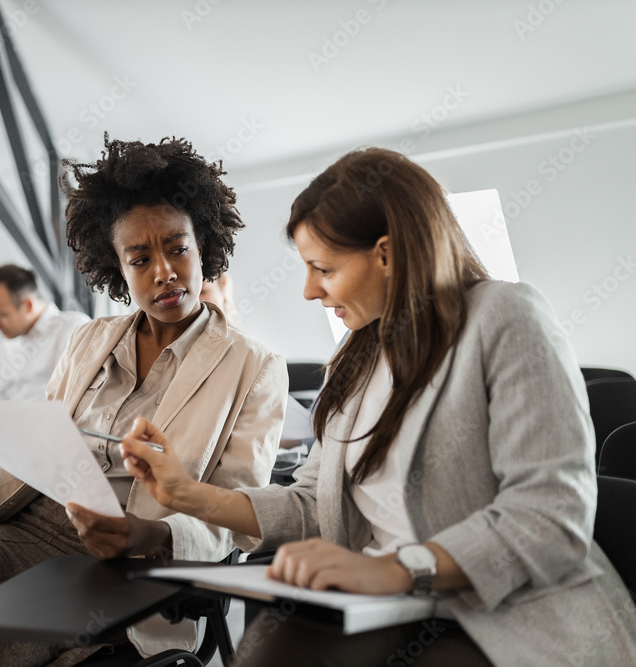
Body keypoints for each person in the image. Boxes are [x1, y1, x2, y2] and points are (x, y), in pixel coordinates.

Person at [114, 148, 636, 666]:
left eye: (323, 268)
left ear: (386, 254)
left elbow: (549, 515)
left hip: (503, 616)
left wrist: (394, 569)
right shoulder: (356, 361)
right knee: (271, 650)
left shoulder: (504, 317)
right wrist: (184, 493)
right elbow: (312, 506)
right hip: (388, 607)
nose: (308, 290)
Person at [0, 136, 288, 667]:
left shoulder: (253, 365)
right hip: (26, 528)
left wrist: (146, 533)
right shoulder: (89, 341)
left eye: (178, 247)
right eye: (140, 258)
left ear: (204, 246)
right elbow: (35, 458)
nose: (164, 271)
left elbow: (237, 514)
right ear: (118, 268)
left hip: (127, 564)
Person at [0, 263, 89, 401]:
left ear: (28, 306)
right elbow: (5, 398)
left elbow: (72, 397)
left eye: (1, 315)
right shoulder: (8, 344)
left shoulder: (73, 328)